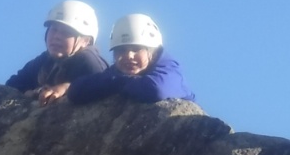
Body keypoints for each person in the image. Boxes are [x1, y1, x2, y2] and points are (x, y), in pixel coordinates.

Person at [67, 13, 196, 105]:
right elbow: (76, 91)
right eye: (121, 50)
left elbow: (157, 90)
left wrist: (119, 82)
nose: (129, 55)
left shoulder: (170, 69)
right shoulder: (117, 72)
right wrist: (119, 81)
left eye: (136, 49)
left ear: (153, 52)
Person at [6, 0, 109, 104]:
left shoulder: (88, 61)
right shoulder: (45, 61)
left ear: (85, 41)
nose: (56, 36)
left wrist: (68, 88)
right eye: (54, 29)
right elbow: (12, 84)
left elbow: (103, 87)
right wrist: (32, 92)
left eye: (66, 32)